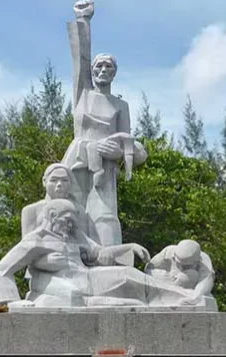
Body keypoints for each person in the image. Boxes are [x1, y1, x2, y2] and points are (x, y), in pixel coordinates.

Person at [0, 199, 201, 308]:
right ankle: (122, 304)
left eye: (73, 221)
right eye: (67, 220)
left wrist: (129, 246)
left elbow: (98, 252)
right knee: (74, 298)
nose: (70, 225)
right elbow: (1, 270)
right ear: (52, 215)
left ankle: (185, 297)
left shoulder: (75, 235)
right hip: (56, 283)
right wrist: (12, 301)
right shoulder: (35, 240)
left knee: (128, 274)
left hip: (87, 277)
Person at [63, 0, 148, 246]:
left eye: (108, 66)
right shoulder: (83, 94)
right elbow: (79, 57)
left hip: (105, 170)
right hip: (78, 161)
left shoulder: (121, 106)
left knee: (105, 219)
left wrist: (118, 151)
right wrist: (84, 21)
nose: (103, 70)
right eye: (98, 66)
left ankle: (110, 267)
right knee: (70, 212)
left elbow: (129, 143)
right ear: (92, 70)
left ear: (114, 73)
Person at [145, 240, 216, 306]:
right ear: (174, 257)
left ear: (197, 261)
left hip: (188, 289)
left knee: (192, 275)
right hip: (165, 284)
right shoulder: (168, 252)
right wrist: (166, 278)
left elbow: (205, 282)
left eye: (186, 266)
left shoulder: (204, 261)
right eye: (179, 264)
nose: (181, 269)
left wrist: (194, 299)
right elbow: (149, 269)